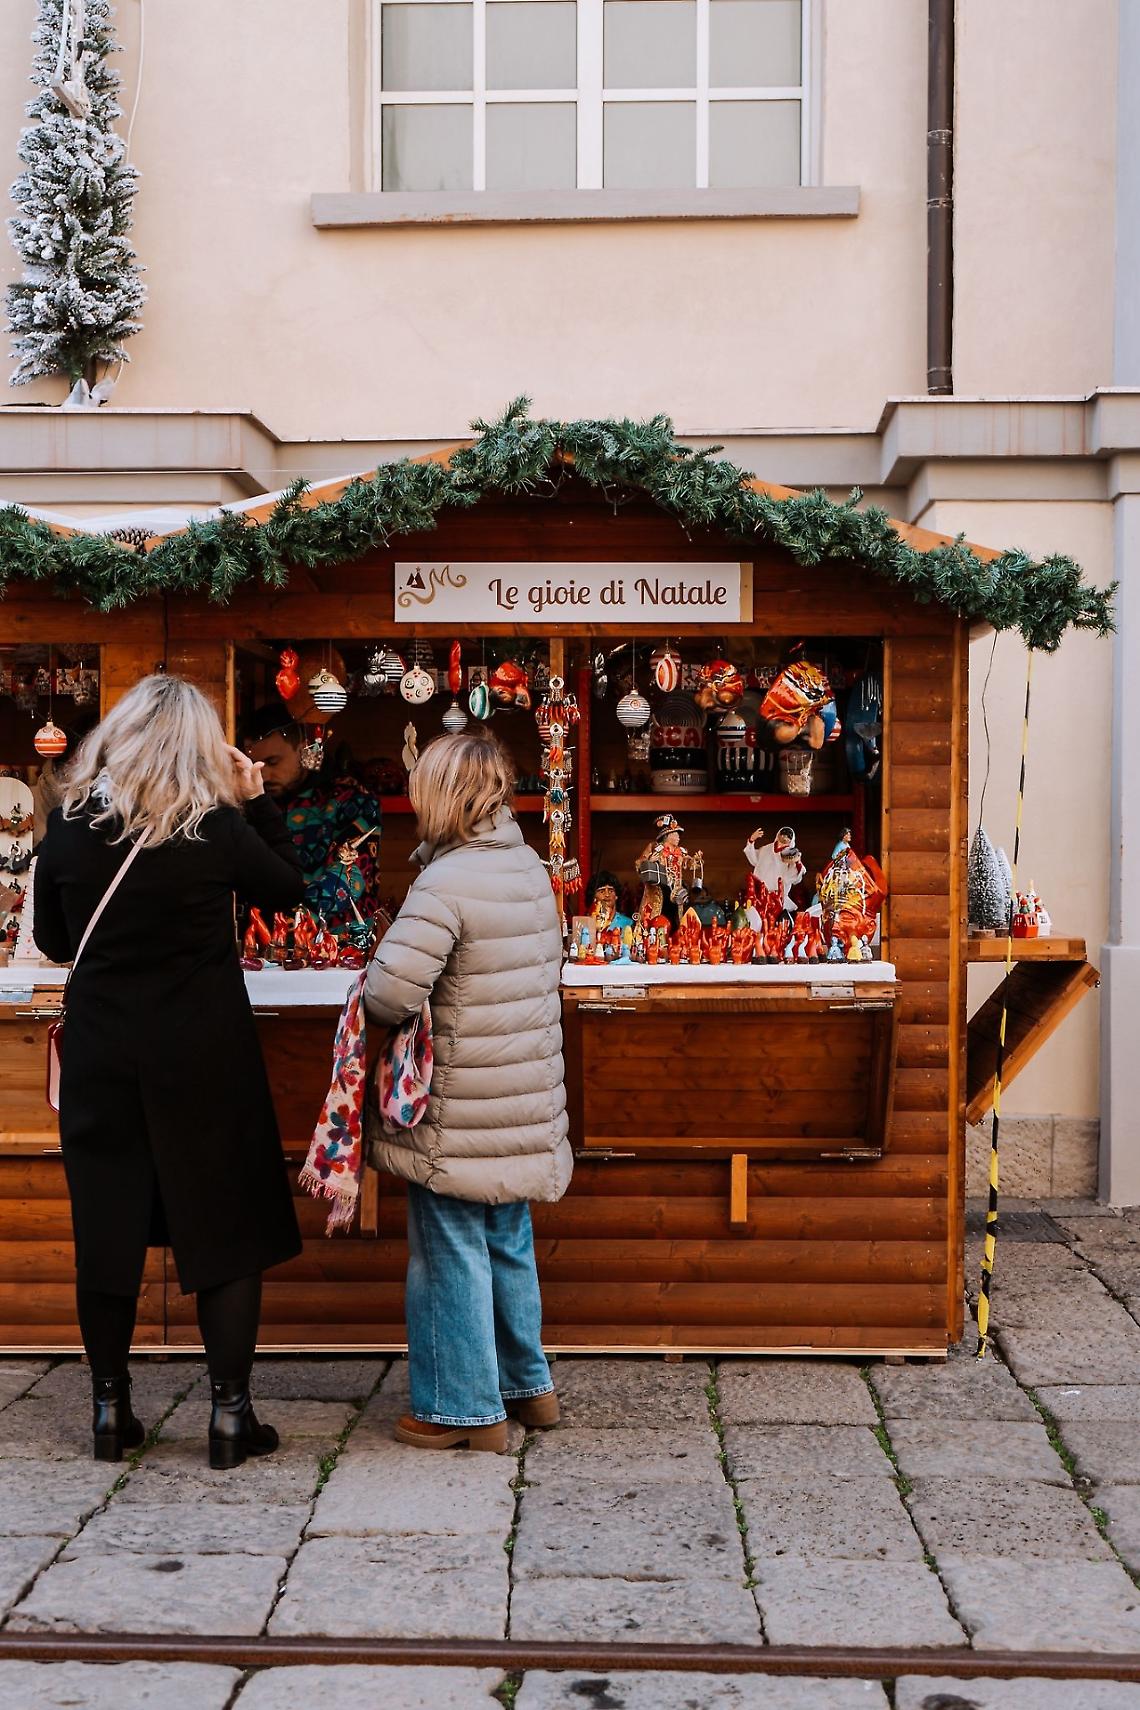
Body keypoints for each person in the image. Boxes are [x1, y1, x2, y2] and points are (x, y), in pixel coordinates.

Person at [33, 675, 306, 1469]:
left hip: (102, 1052)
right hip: (203, 1051)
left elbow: (53, 939)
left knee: (107, 1228)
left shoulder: (71, 828)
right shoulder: (214, 827)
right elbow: (288, 890)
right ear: (199, 746)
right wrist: (256, 799)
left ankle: (110, 1413)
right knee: (226, 1222)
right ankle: (228, 1417)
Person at [363, 728, 572, 1452]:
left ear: (443, 798)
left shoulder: (447, 881)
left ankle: (462, 1409)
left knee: (448, 1248)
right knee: (507, 1240)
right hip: (519, 1102)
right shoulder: (526, 867)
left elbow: (390, 994)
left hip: (457, 1109)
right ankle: (526, 1387)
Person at [241, 706, 382, 942]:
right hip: (262, 944)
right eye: (253, 765)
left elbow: (348, 876)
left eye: (272, 762)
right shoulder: (250, 802)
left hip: (339, 947)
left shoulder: (352, 799)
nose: (262, 776)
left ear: (301, 748)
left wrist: (285, 923)